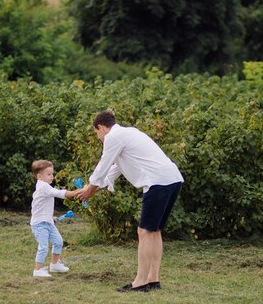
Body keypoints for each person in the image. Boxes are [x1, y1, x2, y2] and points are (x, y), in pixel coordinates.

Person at [76, 111, 183, 292]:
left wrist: (89, 189)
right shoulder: (128, 133)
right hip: (172, 179)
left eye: (96, 134)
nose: (98, 138)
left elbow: (103, 165)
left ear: (100, 127)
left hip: (157, 182)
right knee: (154, 230)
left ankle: (140, 282)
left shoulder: (113, 137)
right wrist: (91, 188)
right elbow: (113, 171)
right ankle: (153, 279)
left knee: (144, 231)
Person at [30, 159, 78, 278]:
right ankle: (38, 270)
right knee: (43, 247)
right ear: (39, 176)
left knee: (58, 242)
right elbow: (58, 193)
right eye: (49, 174)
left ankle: (54, 264)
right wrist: (76, 192)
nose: (52, 176)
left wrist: (50, 217)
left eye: (52, 174)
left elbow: (40, 206)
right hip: (39, 224)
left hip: (48, 222)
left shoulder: (45, 186)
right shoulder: (43, 186)